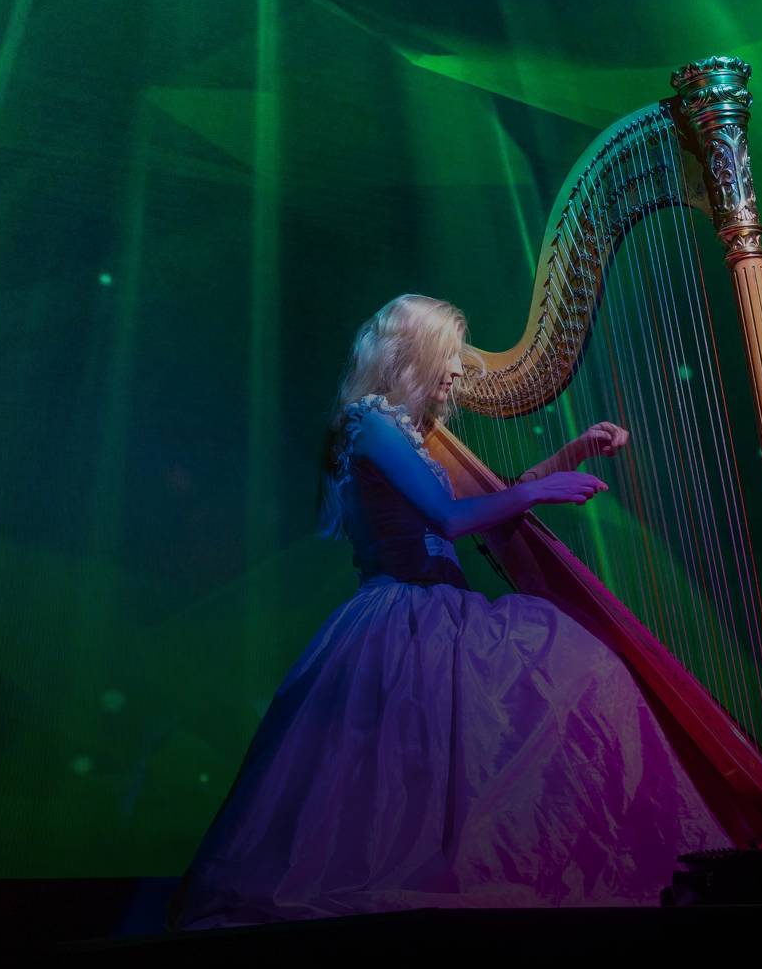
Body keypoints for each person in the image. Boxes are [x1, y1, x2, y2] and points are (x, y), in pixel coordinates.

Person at [166, 293, 733, 930]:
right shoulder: (368, 423)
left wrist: (571, 453)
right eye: (450, 355)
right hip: (402, 617)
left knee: (575, 686)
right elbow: (450, 518)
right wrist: (540, 492)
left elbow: (494, 503)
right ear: (412, 354)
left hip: (444, 613)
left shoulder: (410, 434)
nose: (460, 371)